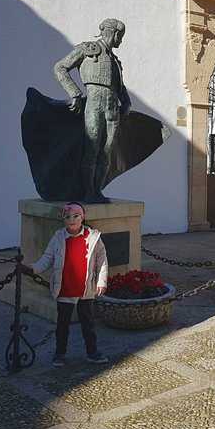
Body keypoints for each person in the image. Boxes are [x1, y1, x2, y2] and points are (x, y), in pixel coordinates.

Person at [53, 18, 131, 203]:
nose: (120, 41)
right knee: (92, 148)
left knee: (107, 152)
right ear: (114, 33)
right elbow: (60, 67)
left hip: (112, 107)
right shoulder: (87, 49)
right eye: (120, 36)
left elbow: (120, 87)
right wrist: (75, 93)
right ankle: (87, 192)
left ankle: (97, 191)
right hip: (94, 102)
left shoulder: (115, 60)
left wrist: (126, 102)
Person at [24, 202, 109, 366]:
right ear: (63, 219)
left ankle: (92, 352)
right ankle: (60, 353)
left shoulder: (93, 237)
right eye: (67, 217)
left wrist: (101, 281)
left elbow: (102, 261)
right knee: (62, 325)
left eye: (76, 216)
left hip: (86, 289)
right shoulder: (58, 237)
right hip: (65, 288)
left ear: (82, 217)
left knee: (88, 324)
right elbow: (47, 258)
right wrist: (33, 269)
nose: (72, 220)